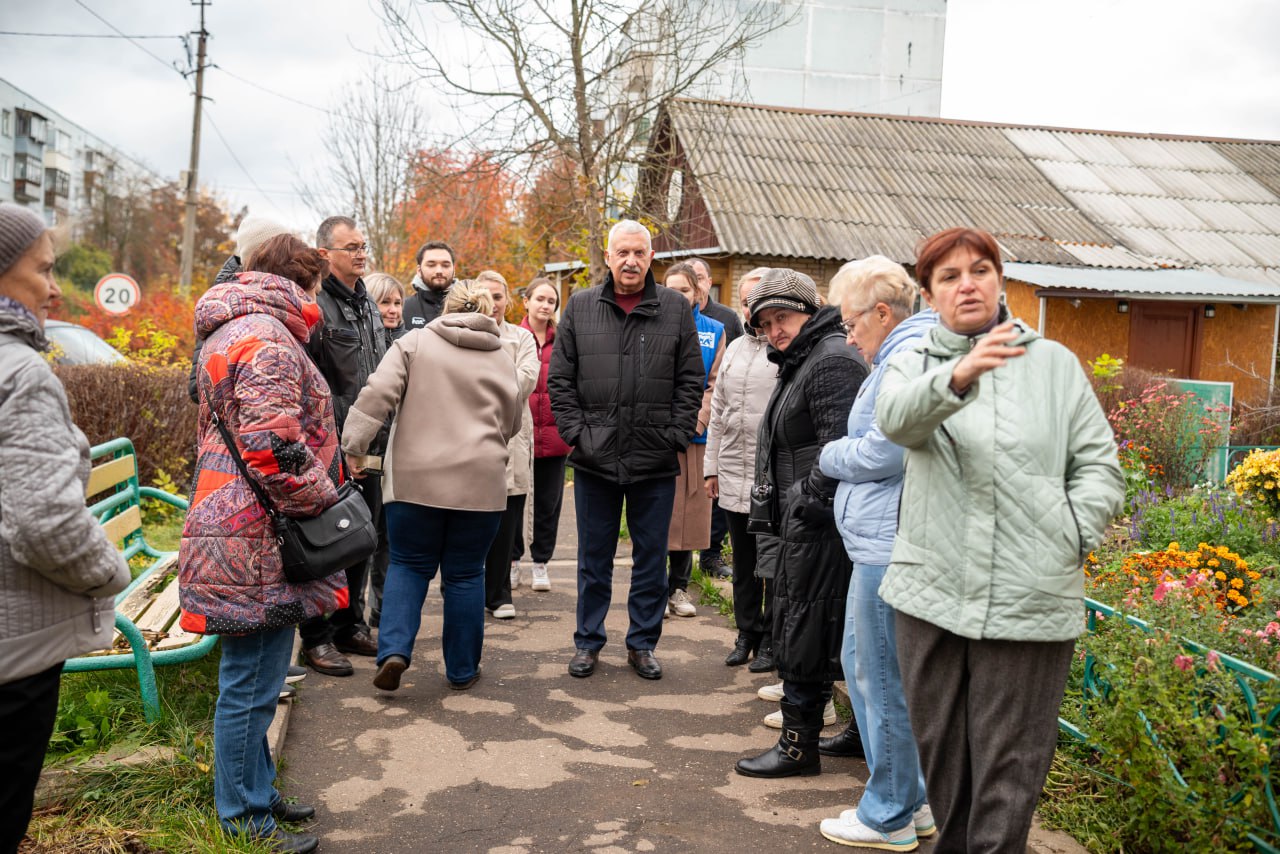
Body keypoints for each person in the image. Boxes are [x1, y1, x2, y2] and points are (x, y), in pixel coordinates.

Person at [876, 227, 1123, 852]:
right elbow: (896, 420)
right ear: (930, 295)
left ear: (1000, 280)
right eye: (950, 276)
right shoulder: (912, 363)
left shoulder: (1054, 366)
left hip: (1029, 594)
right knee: (945, 763)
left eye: (980, 270)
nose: (968, 285)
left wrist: (1069, 535)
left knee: (1009, 771)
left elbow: (1099, 469)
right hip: (931, 590)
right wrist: (959, 374)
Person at [181, 234, 348, 853]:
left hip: (239, 523)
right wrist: (323, 505)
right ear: (302, 282)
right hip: (258, 531)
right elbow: (272, 448)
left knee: (259, 678)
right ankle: (244, 820)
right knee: (250, 684)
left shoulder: (234, 327)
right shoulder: (269, 338)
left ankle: (257, 792)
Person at [0, 204, 131, 852]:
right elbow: (46, 523)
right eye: (43, 270)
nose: (55, 289)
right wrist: (110, 572)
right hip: (13, 647)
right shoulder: (21, 374)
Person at [342, 280, 521, 692]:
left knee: (408, 563)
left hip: (415, 483)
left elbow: (376, 395)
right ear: (488, 311)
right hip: (480, 484)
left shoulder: (414, 343)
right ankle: (461, 670)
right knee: (464, 575)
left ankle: (393, 652)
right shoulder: (503, 356)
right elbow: (512, 422)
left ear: (446, 308)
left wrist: (354, 447)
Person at [815, 256, 938, 850]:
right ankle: (909, 802)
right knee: (871, 670)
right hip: (885, 539)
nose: (849, 336)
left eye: (851, 324)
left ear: (881, 313)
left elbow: (885, 451)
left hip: (890, 544)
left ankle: (887, 812)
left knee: (880, 677)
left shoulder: (904, 360)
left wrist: (830, 454)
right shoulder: (904, 354)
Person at [549, 220, 703, 681]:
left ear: (650, 257)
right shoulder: (580, 307)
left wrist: (674, 435)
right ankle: (588, 642)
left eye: (639, 253)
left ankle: (642, 644)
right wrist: (579, 434)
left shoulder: (675, 309)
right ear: (610, 256)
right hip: (595, 459)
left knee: (651, 561)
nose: (631, 261)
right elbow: (560, 380)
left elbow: (690, 380)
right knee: (593, 559)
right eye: (623, 253)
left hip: (654, 459)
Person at [733, 268, 867, 779]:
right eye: (765, 323)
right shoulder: (804, 358)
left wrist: (804, 502)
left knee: (810, 631)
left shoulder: (830, 360)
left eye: (782, 318)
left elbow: (840, 450)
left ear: (809, 312)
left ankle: (797, 747)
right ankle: (850, 733)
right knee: (813, 629)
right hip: (808, 523)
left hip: (822, 526)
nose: (774, 331)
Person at [299, 216, 388, 676]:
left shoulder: (366, 301)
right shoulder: (315, 305)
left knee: (361, 538)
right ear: (324, 254)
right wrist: (333, 435)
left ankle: (351, 625)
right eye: (350, 247)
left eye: (362, 245)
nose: (360, 253)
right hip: (327, 445)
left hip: (366, 442)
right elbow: (310, 379)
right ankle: (315, 639)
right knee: (325, 541)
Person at [705, 268, 776, 666]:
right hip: (732, 471)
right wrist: (710, 467)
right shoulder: (733, 349)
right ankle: (746, 632)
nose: (752, 309)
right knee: (744, 563)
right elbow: (717, 413)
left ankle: (770, 638)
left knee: (771, 564)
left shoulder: (786, 348)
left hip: (769, 479)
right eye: (746, 302)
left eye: (759, 300)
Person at [662, 262, 724, 618]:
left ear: (698, 293)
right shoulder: (651, 325)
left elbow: (715, 385)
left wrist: (694, 421)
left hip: (694, 439)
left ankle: (678, 588)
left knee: (688, 515)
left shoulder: (714, 331)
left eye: (683, 290)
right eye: (670, 289)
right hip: (657, 438)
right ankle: (655, 589)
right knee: (659, 514)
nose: (677, 296)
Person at [476, 271, 539, 619]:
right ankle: (468, 587)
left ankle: (500, 594)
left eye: (498, 296)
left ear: (507, 301)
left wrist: (477, 382)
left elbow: (523, 382)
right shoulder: (458, 334)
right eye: (485, 295)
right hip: (469, 444)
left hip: (511, 441)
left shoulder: (522, 339)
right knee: (471, 517)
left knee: (505, 520)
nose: (492, 303)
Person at [188, 216, 292, 404]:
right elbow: (197, 387)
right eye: (285, 250)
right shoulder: (222, 303)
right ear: (265, 254)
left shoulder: (282, 295)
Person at [511, 277, 570, 592]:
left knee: (548, 505)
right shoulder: (512, 337)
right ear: (526, 301)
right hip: (518, 436)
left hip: (554, 439)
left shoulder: (562, 340)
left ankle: (541, 563)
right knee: (515, 504)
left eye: (551, 301)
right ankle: (513, 561)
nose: (546, 306)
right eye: (540, 299)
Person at [688, 257, 741, 578]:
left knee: (713, 490)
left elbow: (729, 366)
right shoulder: (671, 315)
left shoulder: (725, 319)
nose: (695, 285)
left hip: (716, 418)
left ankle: (710, 555)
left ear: (708, 282)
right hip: (679, 425)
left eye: (699, 278)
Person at [402, 240, 456, 329]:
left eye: (445, 265)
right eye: (431, 265)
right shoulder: (403, 308)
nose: (439, 271)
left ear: (454, 270)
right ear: (419, 270)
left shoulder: (469, 308)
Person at [365, 271, 407, 348]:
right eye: (385, 302)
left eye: (397, 303)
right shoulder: (355, 343)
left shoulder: (412, 343)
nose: (393, 310)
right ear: (366, 303)